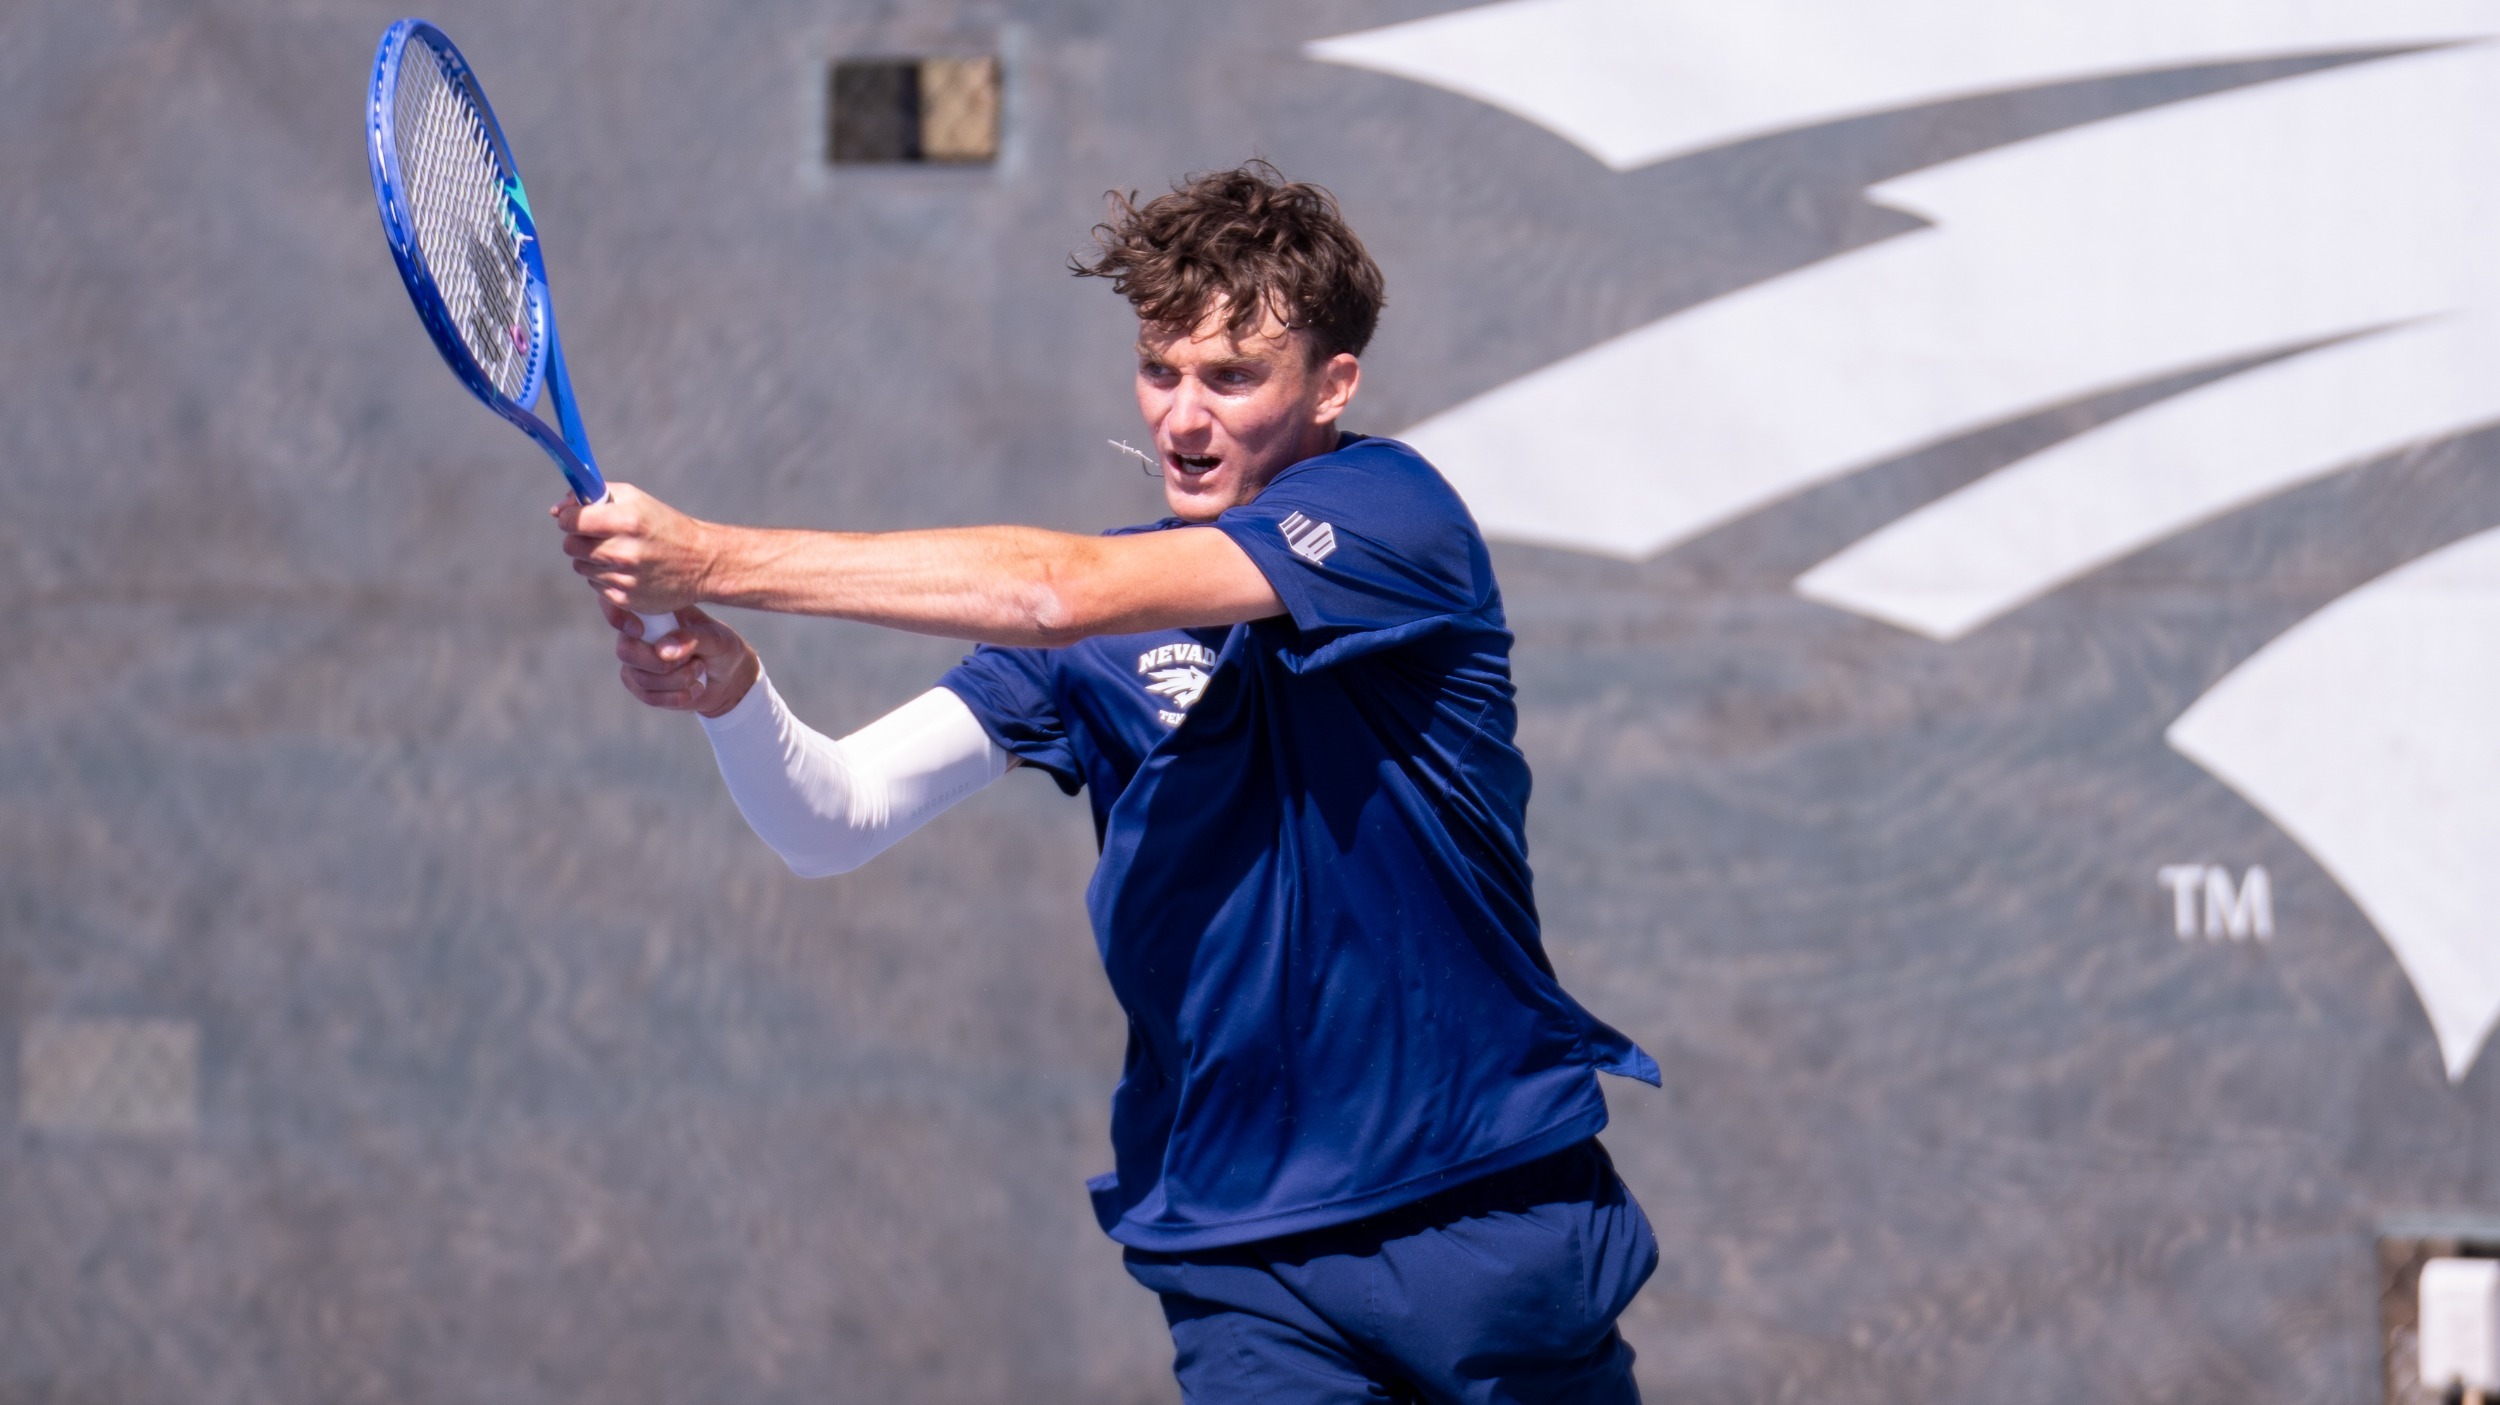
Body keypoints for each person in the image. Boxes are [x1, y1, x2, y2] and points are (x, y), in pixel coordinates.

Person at [555, 163, 1661, 1404]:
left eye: (1232, 378)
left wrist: (711, 555)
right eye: (1160, 371)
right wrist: (735, 699)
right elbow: (834, 819)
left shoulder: (1393, 514)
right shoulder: (1103, 629)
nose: (1183, 419)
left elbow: (1050, 590)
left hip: (1487, 1211)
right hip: (1243, 1259)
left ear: (1332, 384)